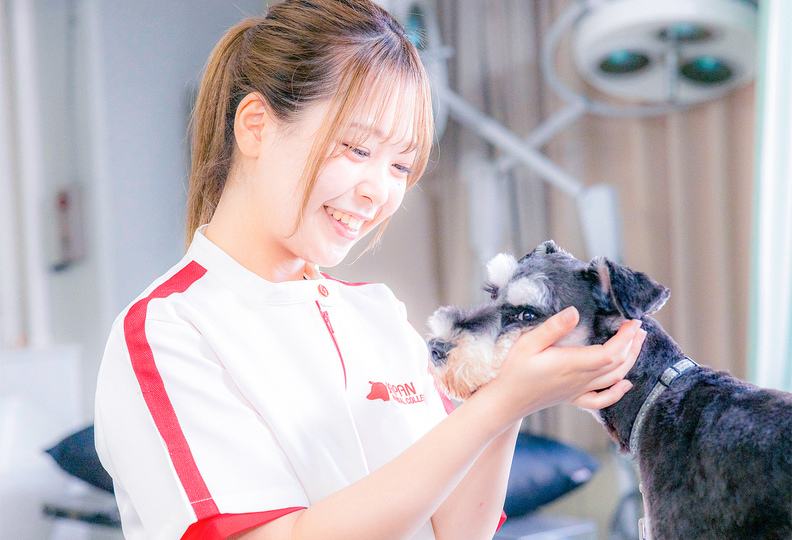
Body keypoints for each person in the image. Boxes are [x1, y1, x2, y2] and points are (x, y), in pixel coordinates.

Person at [94, 1, 646, 539]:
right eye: (356, 148)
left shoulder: (376, 313)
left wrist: (508, 401)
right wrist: (498, 405)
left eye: (401, 165)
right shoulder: (170, 330)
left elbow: (455, 530)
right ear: (256, 125)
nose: (378, 191)